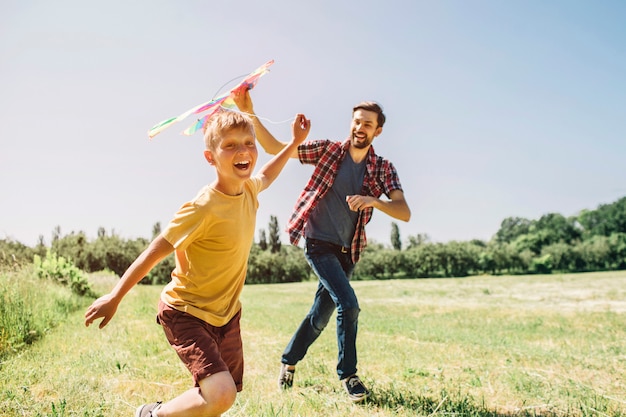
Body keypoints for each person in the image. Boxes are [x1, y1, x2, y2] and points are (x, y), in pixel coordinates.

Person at [84, 103, 311, 417]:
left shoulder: (249, 191)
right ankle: (151, 414)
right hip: (186, 312)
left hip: (226, 315)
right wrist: (114, 296)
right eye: (229, 145)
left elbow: (267, 175)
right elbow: (154, 251)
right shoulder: (202, 207)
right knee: (221, 394)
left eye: (248, 143)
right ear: (211, 157)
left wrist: (294, 144)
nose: (242, 150)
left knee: (218, 391)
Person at [233, 91, 411, 402]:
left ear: (377, 131)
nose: (360, 128)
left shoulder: (382, 168)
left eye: (367, 124)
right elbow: (278, 148)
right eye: (357, 121)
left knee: (319, 316)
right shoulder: (328, 151)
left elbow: (403, 211)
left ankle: (288, 362)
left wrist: (373, 201)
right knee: (349, 304)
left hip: (347, 252)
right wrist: (250, 113)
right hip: (317, 243)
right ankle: (349, 376)